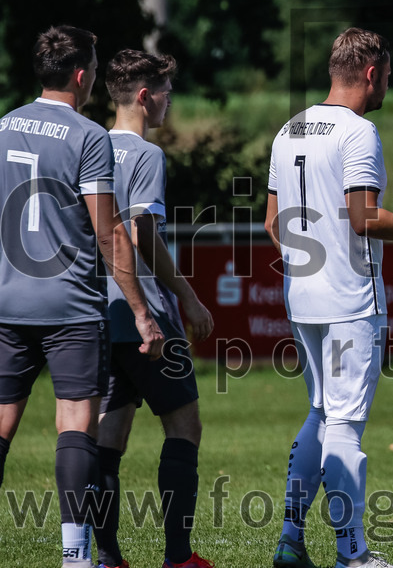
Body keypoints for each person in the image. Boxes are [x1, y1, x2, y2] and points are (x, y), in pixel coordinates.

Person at [265, 27, 393, 568]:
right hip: (349, 300)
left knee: (321, 413)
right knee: (344, 423)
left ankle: (290, 539)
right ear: (371, 73)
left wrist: (307, 263)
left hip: (303, 297)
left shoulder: (288, 129)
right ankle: (353, 554)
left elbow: (273, 223)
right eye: (388, 76)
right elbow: (364, 217)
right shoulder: (357, 132)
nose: (387, 85)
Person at [0, 26, 164, 567]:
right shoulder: (87, 135)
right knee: (75, 423)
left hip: (6, 304)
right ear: (80, 74)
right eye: (92, 68)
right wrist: (141, 312)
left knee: (2, 426)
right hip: (68, 305)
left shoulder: (2, 127)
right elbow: (111, 232)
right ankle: (76, 557)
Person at [91, 49, 216, 568]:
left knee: (109, 434)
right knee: (184, 425)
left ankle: (106, 556)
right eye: (166, 91)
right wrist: (187, 297)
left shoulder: (88, 144)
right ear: (145, 97)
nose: (170, 101)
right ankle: (178, 557)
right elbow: (141, 235)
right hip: (146, 313)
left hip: (97, 312)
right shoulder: (145, 155)